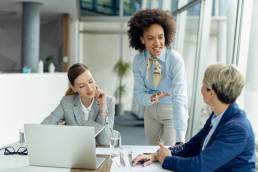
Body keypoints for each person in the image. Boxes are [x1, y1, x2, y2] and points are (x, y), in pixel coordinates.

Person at [132, 64, 256, 172]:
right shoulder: (218, 115)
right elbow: (192, 146)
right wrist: (158, 155)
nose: (201, 88)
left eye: (203, 84)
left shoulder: (238, 129)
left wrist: (166, 159)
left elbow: (200, 167)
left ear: (211, 92)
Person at [128, 9, 188, 145]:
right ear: (142, 39)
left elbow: (180, 97)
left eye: (160, 37)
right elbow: (138, 93)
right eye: (150, 38)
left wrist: (180, 136)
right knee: (152, 152)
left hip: (171, 110)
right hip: (150, 111)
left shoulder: (175, 60)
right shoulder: (138, 60)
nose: (157, 43)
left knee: (169, 153)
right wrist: (152, 98)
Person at [42, 63, 115, 145]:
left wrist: (102, 108)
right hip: (73, 152)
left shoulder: (108, 101)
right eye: (82, 86)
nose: (89, 88)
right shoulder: (67, 102)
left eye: (91, 81)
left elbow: (104, 141)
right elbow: (44, 126)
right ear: (74, 88)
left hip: (98, 154)